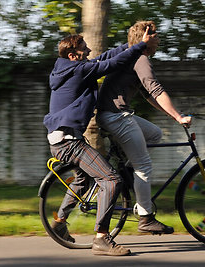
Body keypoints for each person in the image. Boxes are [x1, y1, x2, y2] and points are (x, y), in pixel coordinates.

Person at [43, 29, 158, 256]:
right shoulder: (78, 71)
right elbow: (110, 65)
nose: (89, 50)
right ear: (73, 55)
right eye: (84, 48)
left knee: (83, 178)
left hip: (63, 139)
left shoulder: (71, 69)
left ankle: (59, 222)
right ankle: (101, 239)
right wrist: (138, 47)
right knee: (111, 180)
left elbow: (103, 59)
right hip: (69, 142)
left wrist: (128, 45)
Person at [96, 20, 192, 235]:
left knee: (154, 134)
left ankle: (129, 172)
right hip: (116, 116)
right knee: (145, 166)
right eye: (156, 35)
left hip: (113, 115)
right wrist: (178, 117)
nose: (159, 40)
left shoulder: (130, 54)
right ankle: (146, 218)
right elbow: (156, 90)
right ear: (146, 38)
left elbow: (149, 94)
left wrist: (173, 115)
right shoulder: (140, 59)